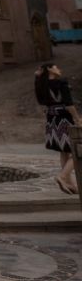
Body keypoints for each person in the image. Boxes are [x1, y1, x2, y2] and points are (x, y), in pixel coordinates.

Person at [35, 63, 80, 194]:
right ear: (50, 69)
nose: (59, 69)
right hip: (64, 120)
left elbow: (42, 103)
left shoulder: (41, 84)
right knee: (76, 151)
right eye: (55, 67)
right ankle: (62, 176)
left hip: (51, 120)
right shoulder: (61, 83)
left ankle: (70, 184)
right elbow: (69, 104)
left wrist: (37, 76)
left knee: (63, 151)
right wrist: (77, 119)